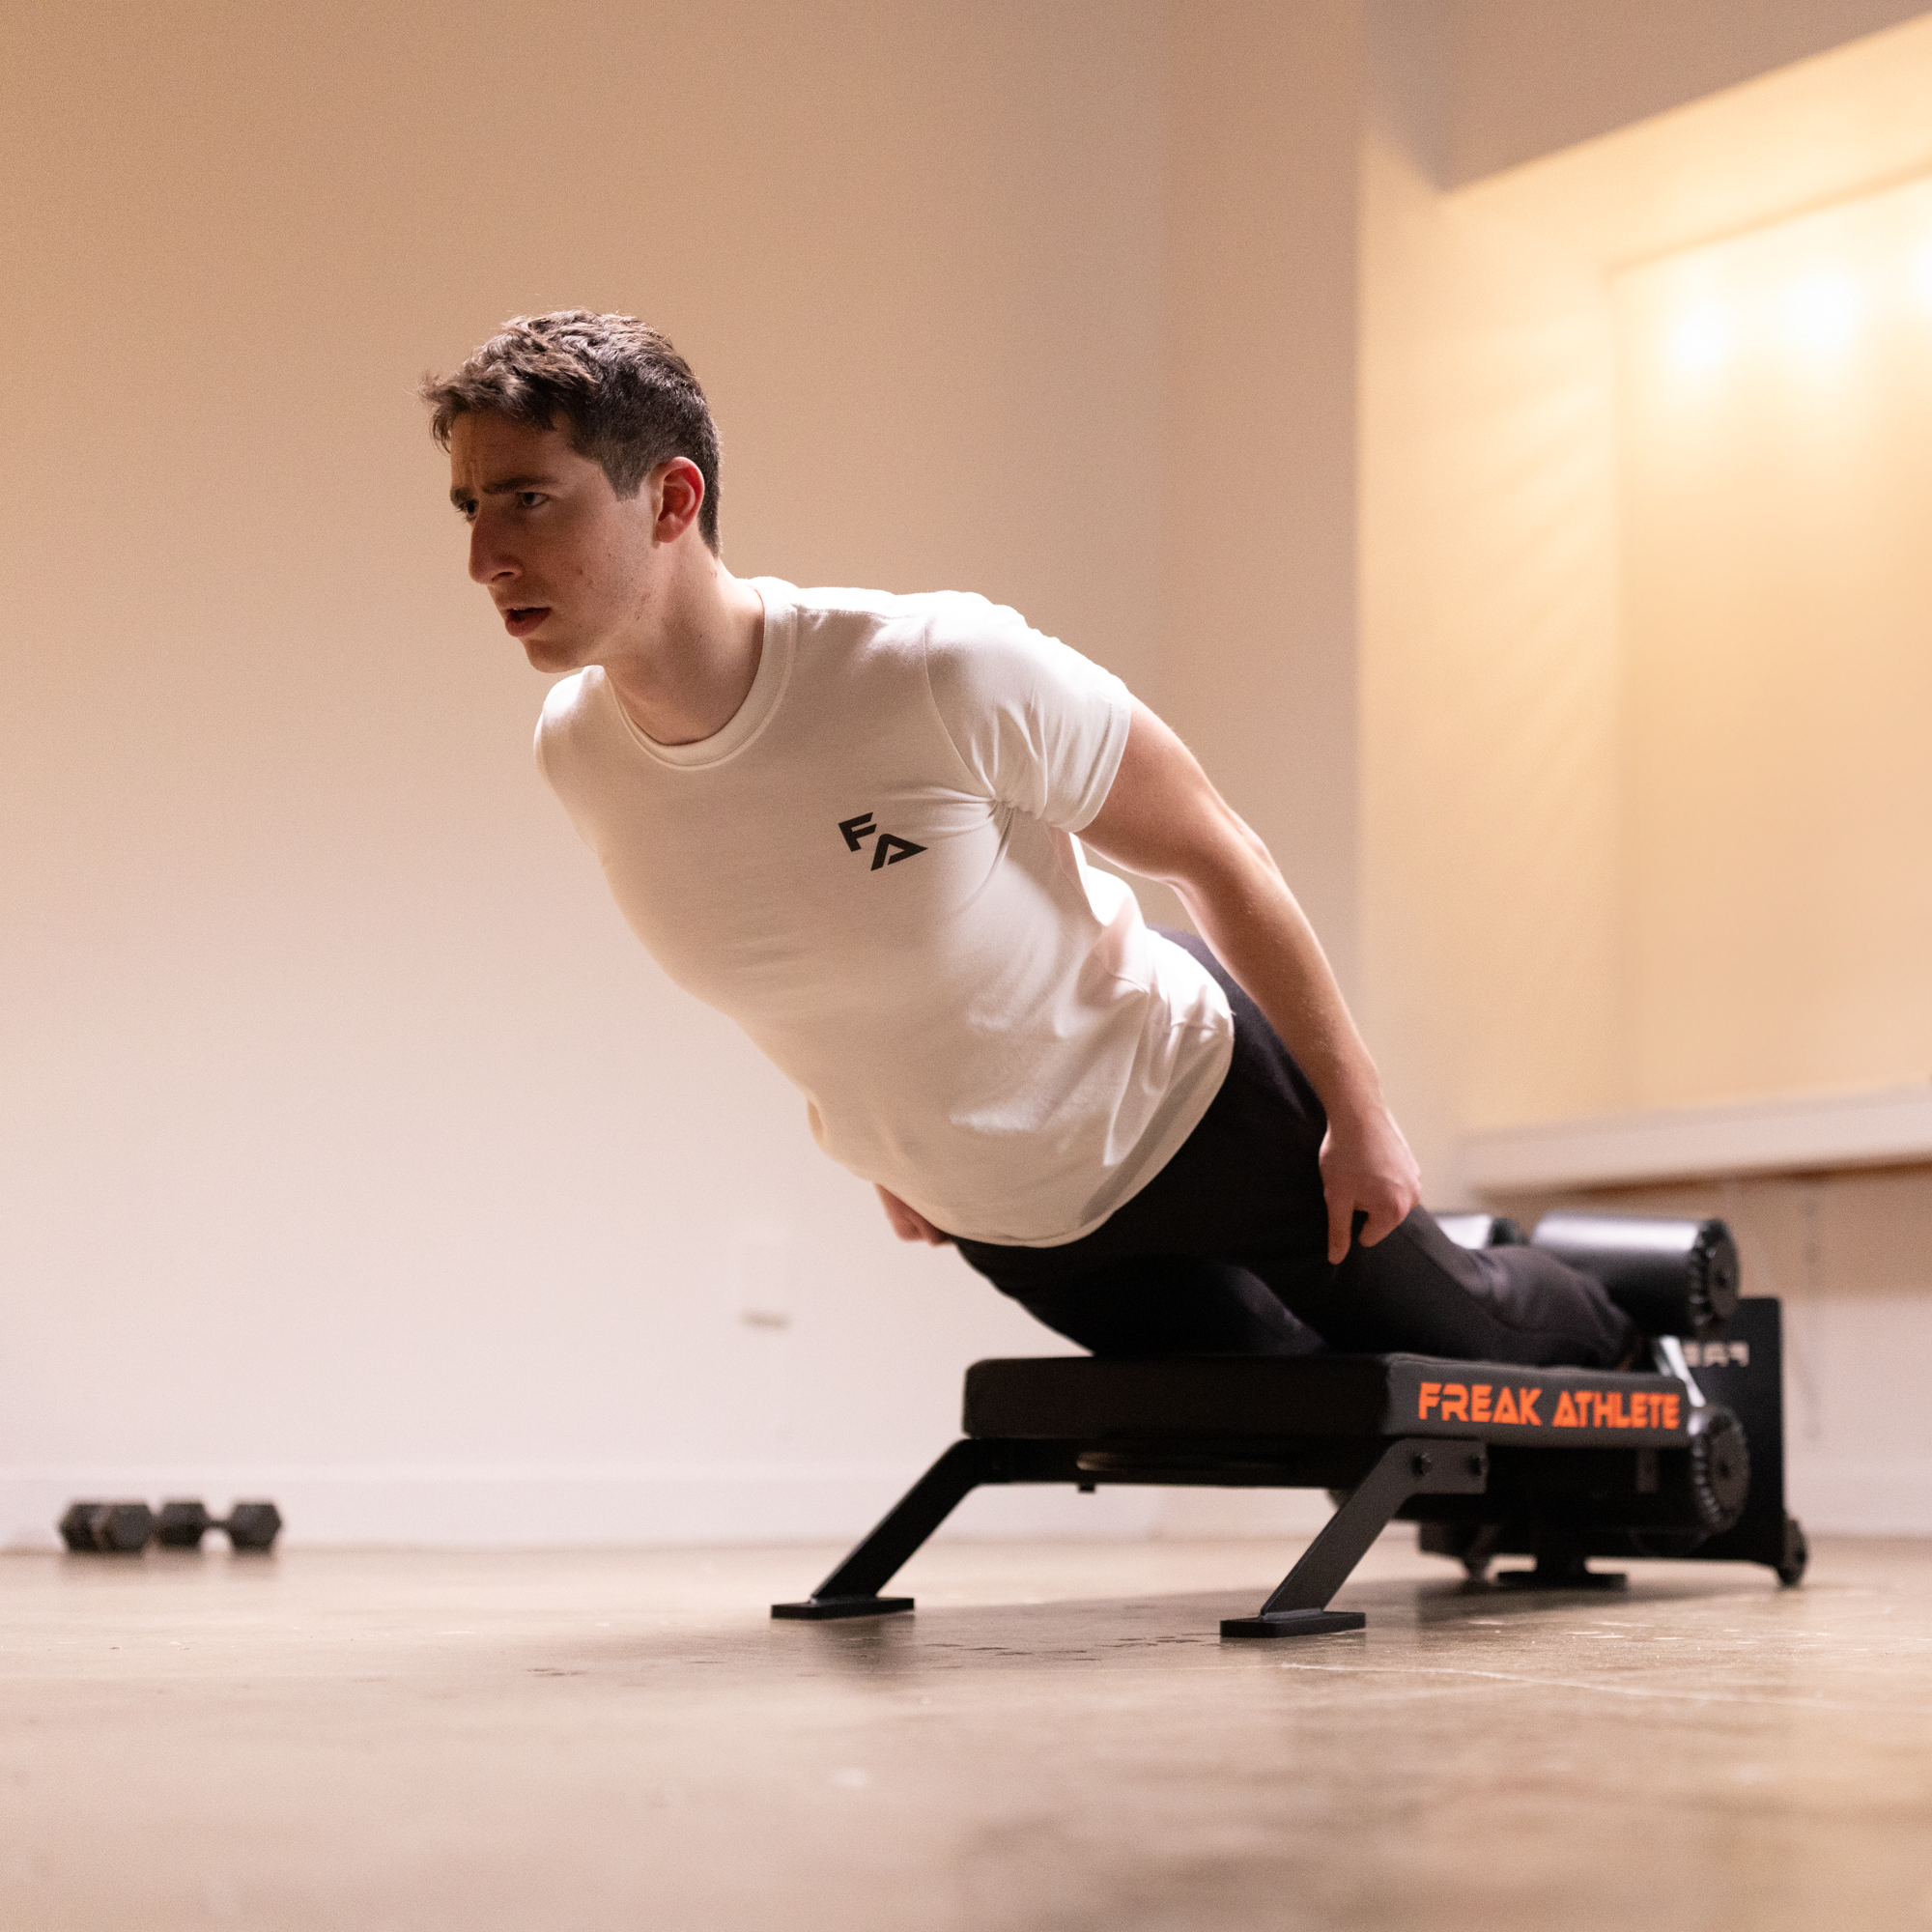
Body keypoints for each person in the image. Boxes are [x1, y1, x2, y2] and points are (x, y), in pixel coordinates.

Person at [423, 310, 1634, 1369]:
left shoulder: (927, 668)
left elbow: (1213, 850)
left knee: (1479, 1345)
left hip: (1193, 1108)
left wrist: (1355, 1116)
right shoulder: (576, 751)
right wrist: (885, 1144)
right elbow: (794, 946)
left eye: (528, 498)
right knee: (1286, 1404)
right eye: (471, 507)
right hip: (1011, 1220)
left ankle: (1649, 1333)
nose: (483, 558)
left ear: (672, 499)